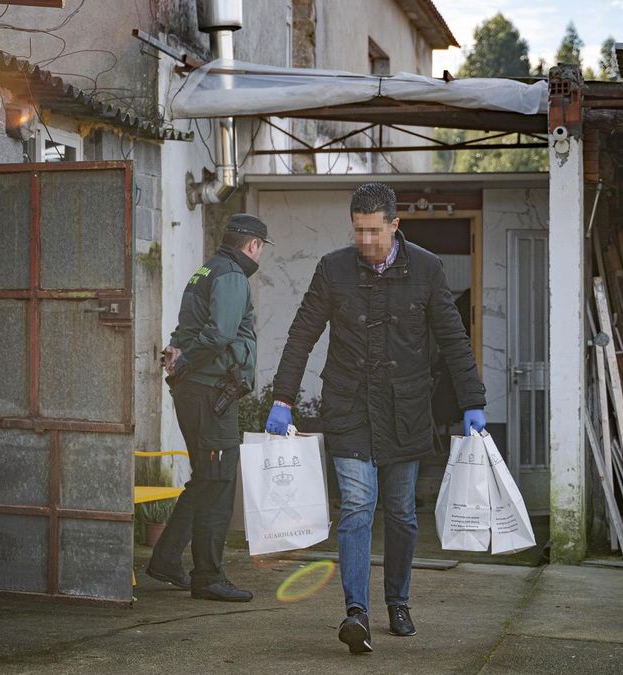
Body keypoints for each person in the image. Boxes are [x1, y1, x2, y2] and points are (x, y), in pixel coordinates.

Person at [264, 183, 487, 652]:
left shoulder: (427, 269)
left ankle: (398, 602)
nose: (365, 241)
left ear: (394, 225)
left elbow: (452, 338)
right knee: (358, 507)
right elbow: (302, 333)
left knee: (402, 514)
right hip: (349, 407)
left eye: (373, 231)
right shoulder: (334, 269)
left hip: (406, 411)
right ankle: (356, 613)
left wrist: (473, 401)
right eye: (358, 231)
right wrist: (283, 397)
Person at [145, 213, 272, 602]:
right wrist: (183, 361)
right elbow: (218, 333)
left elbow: (190, 327)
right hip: (209, 391)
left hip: (197, 391)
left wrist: (178, 352)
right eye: (261, 249)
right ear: (253, 246)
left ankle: (166, 558)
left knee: (206, 477)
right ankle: (208, 577)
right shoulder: (231, 275)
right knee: (218, 481)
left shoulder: (205, 270)